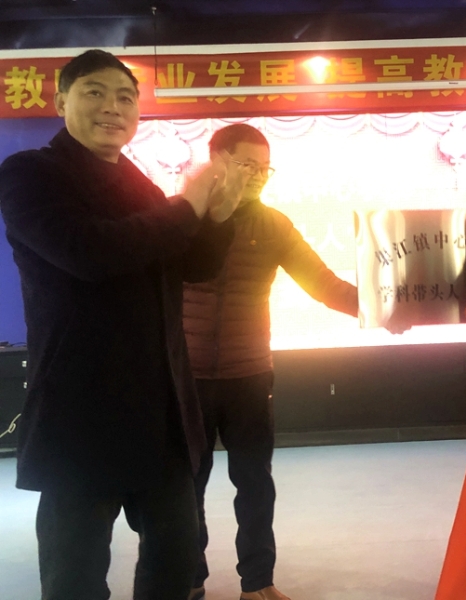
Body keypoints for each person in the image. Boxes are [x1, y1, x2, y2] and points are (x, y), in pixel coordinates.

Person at [0, 49, 249, 600]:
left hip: (161, 411)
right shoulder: (30, 174)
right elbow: (90, 253)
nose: (113, 107)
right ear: (60, 101)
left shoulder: (139, 185)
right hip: (80, 414)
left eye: (126, 97)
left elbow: (191, 267)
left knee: (176, 564)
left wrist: (218, 218)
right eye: (94, 92)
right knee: (75, 577)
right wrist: (187, 208)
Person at [183, 123, 371, 600]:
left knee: (255, 484)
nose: (257, 176)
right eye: (247, 165)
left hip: (249, 375)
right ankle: (188, 578)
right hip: (186, 378)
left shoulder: (275, 225)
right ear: (216, 160)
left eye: (265, 168)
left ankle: (258, 583)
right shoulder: (182, 217)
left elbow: (324, 284)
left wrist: (383, 307)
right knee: (185, 487)